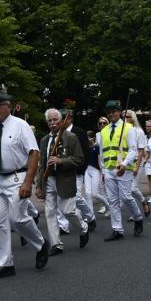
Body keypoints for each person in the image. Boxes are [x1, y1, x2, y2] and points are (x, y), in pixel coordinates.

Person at [0, 91, 49, 279]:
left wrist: (28, 181)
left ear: (8, 105)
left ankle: (41, 244)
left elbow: (34, 153)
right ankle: (5, 264)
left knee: (17, 219)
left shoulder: (21, 125)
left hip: (17, 178)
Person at [36, 109, 89, 255]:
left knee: (68, 211)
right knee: (50, 212)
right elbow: (41, 164)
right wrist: (39, 184)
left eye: (55, 120)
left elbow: (79, 159)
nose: (52, 123)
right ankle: (56, 244)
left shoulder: (71, 137)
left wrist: (61, 161)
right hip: (48, 180)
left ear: (61, 121)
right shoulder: (44, 140)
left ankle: (83, 227)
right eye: (49, 120)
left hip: (64, 179)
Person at [99, 100, 144, 241]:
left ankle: (137, 217)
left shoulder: (129, 128)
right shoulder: (104, 131)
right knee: (113, 200)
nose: (111, 114)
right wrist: (103, 170)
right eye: (109, 112)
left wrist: (124, 164)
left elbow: (133, 150)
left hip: (124, 169)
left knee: (125, 197)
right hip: (109, 169)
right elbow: (102, 152)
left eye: (114, 111)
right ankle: (117, 229)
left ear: (119, 112)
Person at [64, 111, 96, 230]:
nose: (62, 121)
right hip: (64, 171)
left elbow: (85, 152)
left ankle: (90, 216)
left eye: (64, 118)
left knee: (77, 197)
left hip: (77, 170)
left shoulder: (79, 132)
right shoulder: (59, 133)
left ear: (70, 119)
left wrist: (82, 168)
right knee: (61, 198)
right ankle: (63, 226)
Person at [123, 110, 150, 217]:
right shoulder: (123, 131)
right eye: (123, 117)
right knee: (127, 190)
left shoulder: (138, 131)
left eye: (128, 117)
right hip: (126, 162)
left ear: (133, 118)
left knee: (132, 188)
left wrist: (137, 166)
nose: (125, 119)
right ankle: (134, 211)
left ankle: (143, 201)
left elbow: (140, 151)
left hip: (137, 162)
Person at [84, 130, 109, 217]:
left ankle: (108, 207)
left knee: (95, 194)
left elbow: (100, 160)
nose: (87, 139)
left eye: (88, 137)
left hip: (95, 171)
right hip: (86, 171)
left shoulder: (98, 147)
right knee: (87, 194)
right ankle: (90, 215)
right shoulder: (85, 148)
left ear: (92, 138)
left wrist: (103, 173)